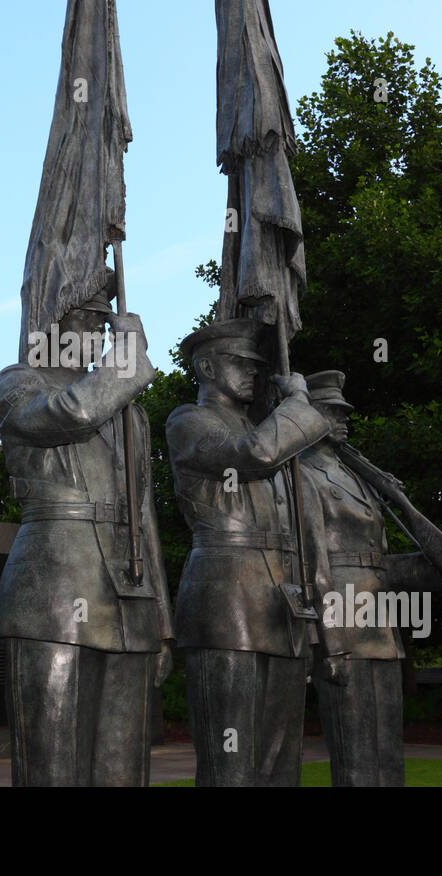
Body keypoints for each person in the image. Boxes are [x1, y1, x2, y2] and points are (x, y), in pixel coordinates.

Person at [0, 273, 174, 786]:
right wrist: (128, 359)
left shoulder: (132, 416)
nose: (99, 330)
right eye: (87, 319)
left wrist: (162, 624)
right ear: (52, 323)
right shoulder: (19, 382)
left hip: (129, 602)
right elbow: (75, 411)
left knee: (123, 767)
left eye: (104, 321)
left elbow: (144, 518)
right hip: (52, 594)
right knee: (53, 764)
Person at [164, 317, 330, 786]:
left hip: (282, 603)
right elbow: (254, 455)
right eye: (240, 363)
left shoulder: (266, 429)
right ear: (207, 367)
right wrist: (297, 403)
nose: (253, 372)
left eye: (256, 365)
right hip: (227, 600)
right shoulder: (189, 421)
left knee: (281, 759)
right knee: (230, 760)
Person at [299, 370, 442, 786]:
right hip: (342, 622)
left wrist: (428, 563)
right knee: (355, 752)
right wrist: (329, 643)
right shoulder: (301, 475)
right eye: (333, 411)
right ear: (309, 416)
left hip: (380, 624)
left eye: (344, 412)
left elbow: (376, 560)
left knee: (389, 750)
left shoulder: (362, 478)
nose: (344, 419)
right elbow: (312, 563)